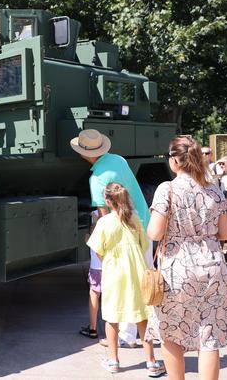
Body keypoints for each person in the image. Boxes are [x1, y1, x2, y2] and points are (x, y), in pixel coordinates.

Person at [145, 135, 227, 380]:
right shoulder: (213, 190)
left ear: (175, 160)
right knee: (209, 335)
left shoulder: (168, 189)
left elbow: (154, 232)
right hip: (211, 266)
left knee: (172, 332)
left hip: (178, 268)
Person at [71, 128, 152, 348]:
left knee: (124, 284)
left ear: (86, 154)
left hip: (123, 237)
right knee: (144, 280)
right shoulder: (119, 160)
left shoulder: (97, 179)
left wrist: (100, 246)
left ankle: (126, 336)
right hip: (142, 221)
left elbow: (105, 218)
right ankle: (149, 330)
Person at [86, 183, 165, 377]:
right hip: (136, 271)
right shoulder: (135, 219)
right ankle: (152, 362)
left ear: (107, 201)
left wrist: (108, 260)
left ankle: (113, 360)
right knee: (141, 317)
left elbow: (97, 248)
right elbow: (144, 244)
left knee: (112, 317)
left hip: (114, 273)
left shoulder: (104, 222)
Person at [80, 210, 103, 340]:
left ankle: (93, 328)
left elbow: (92, 238)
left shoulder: (96, 214)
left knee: (94, 293)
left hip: (97, 265)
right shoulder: (121, 214)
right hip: (113, 264)